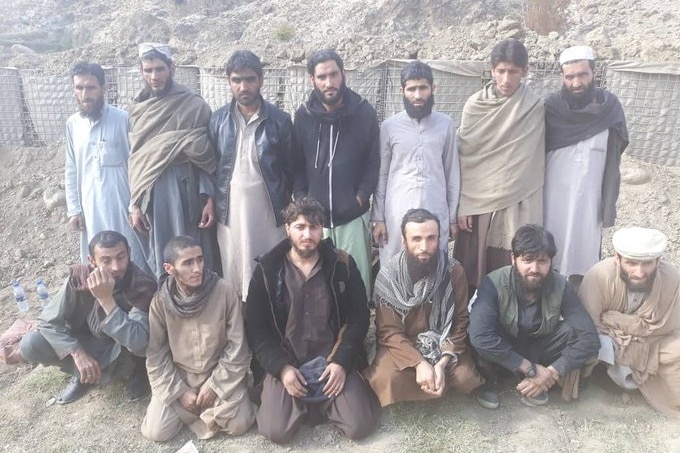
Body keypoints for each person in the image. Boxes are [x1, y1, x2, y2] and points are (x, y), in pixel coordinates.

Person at [245, 198, 379, 443]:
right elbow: (256, 329)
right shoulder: (267, 269)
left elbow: (359, 317)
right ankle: (300, 401)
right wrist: (282, 369)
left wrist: (342, 361)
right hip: (289, 363)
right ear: (287, 229)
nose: (308, 234)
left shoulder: (342, 264)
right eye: (300, 227)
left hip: (331, 362)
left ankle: (323, 401)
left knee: (360, 425)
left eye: (314, 227)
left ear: (322, 229)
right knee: (276, 431)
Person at [469, 224, 599, 409]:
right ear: (514, 259)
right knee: (479, 333)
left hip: (538, 348)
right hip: (501, 349)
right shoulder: (494, 282)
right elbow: (480, 336)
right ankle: (490, 381)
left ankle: (538, 381)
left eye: (542, 261)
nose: (534, 269)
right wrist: (529, 368)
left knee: (572, 332)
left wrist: (553, 371)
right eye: (527, 260)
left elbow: (589, 338)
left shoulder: (561, 285)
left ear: (551, 261)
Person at [19, 231, 157, 404]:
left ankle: (137, 372)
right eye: (106, 260)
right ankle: (82, 374)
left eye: (121, 257)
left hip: (120, 349)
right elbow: (47, 322)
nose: (115, 267)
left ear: (129, 253)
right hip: (87, 342)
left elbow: (139, 342)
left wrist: (106, 300)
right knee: (31, 344)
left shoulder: (141, 285)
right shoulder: (79, 278)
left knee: (138, 349)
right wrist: (77, 353)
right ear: (92, 261)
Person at [364, 209, 483, 406]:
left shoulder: (453, 271)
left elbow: (460, 320)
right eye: (416, 239)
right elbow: (389, 332)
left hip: (442, 340)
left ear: (439, 239)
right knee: (385, 379)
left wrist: (442, 362)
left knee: (465, 378)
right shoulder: (389, 276)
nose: (424, 247)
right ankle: (428, 380)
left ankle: (436, 378)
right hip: (403, 346)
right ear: (404, 241)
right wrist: (419, 363)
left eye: (431, 238)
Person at [141, 236, 255, 441]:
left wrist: (215, 385)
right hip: (181, 377)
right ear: (170, 268)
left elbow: (238, 347)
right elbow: (156, 355)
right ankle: (204, 414)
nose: (197, 268)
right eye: (188, 263)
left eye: (200, 260)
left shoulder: (224, 291)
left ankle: (206, 410)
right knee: (156, 432)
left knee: (240, 424)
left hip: (218, 374)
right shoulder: (160, 302)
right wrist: (179, 391)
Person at [454, 39, 545, 292]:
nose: (506, 79)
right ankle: (471, 325)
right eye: (501, 71)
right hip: (478, 203)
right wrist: (464, 205)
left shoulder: (533, 107)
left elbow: (530, 159)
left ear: (525, 72)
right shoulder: (475, 106)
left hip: (518, 199)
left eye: (513, 72)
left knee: (514, 269)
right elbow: (466, 158)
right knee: (473, 272)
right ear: (492, 69)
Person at [292, 49, 380, 298]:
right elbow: (296, 163)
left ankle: (358, 334)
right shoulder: (304, 116)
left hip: (351, 216)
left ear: (343, 74)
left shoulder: (364, 113)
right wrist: (301, 198)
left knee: (356, 283)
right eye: (322, 77)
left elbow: (373, 163)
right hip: (315, 220)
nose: (329, 83)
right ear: (312, 79)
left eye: (333, 75)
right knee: (318, 284)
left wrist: (360, 197)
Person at [209, 50, 294, 303]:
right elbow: (213, 166)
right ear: (229, 82)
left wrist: (288, 206)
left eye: (249, 79)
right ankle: (240, 323)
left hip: (268, 210)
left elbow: (290, 167)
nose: (243, 86)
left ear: (261, 79)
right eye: (237, 80)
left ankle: (270, 322)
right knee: (234, 268)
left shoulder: (280, 121)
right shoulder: (218, 120)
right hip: (230, 211)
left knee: (269, 266)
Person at [128, 42, 218, 278]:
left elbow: (207, 155)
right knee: (163, 254)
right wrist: (135, 203)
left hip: (188, 190)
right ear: (141, 71)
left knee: (194, 250)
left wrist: (210, 198)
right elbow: (138, 159)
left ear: (172, 68)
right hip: (155, 194)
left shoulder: (194, 105)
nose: (154, 76)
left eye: (159, 69)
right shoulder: (139, 110)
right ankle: (167, 304)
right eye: (148, 70)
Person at [544, 46, 629, 277]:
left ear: (594, 72)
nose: (576, 83)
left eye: (582, 74)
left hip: (591, 199)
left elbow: (616, 153)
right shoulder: (550, 108)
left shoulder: (609, 107)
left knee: (586, 257)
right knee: (549, 251)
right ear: (562, 76)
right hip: (551, 200)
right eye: (569, 76)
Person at [578, 227, 680, 418]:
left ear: (658, 261)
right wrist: (628, 332)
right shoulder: (600, 276)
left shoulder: (671, 278)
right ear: (617, 258)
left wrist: (616, 319)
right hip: (610, 342)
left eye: (647, 264)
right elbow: (590, 323)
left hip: (654, 343)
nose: (639, 272)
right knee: (594, 345)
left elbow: (668, 325)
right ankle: (600, 380)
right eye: (631, 263)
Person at [65, 62, 150, 276]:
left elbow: (139, 165)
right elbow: (71, 167)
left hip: (123, 208)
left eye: (91, 87)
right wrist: (74, 209)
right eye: (79, 88)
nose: (85, 94)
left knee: (132, 259)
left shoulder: (123, 120)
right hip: (90, 209)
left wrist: (136, 205)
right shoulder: (73, 124)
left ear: (102, 88)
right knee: (99, 259)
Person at [372, 61, 460, 264]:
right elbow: (382, 175)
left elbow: (452, 173)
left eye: (423, 88)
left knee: (435, 263)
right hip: (396, 211)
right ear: (402, 91)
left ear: (433, 88)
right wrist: (378, 218)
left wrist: (453, 218)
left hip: (435, 208)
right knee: (394, 263)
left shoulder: (445, 125)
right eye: (411, 89)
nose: (418, 95)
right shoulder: (389, 126)